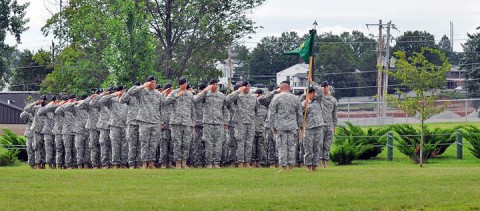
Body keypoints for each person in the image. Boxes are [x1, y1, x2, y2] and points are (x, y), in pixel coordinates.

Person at [129, 76, 165, 169]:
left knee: (154, 143)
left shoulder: (158, 94)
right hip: (144, 121)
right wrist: (142, 86)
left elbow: (162, 108)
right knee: (144, 142)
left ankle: (151, 163)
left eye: (154, 82)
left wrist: (162, 121)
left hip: (155, 121)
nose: (153, 84)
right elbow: (130, 92)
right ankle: (144, 163)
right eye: (152, 82)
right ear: (148, 83)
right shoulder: (141, 92)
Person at [269, 81, 303, 171]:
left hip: (280, 126)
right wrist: (299, 126)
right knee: (291, 146)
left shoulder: (276, 98)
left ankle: (283, 166)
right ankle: (291, 166)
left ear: (280, 88)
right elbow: (299, 114)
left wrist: (272, 126)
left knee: (282, 146)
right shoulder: (295, 98)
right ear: (289, 88)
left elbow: (271, 113)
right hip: (292, 126)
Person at [195, 79, 227, 168]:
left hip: (219, 122)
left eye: (216, 84)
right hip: (208, 122)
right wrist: (205, 90)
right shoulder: (205, 95)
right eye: (213, 84)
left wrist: (225, 122)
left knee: (218, 143)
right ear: (210, 85)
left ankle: (216, 162)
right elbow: (195, 100)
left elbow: (224, 109)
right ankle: (208, 162)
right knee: (208, 143)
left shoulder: (221, 96)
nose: (215, 86)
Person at [226, 81, 258, 168]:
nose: (247, 87)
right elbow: (228, 100)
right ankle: (240, 162)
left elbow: (256, 110)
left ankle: (247, 162)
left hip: (250, 122)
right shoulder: (238, 96)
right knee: (240, 142)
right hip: (240, 123)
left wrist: (255, 121)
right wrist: (238, 91)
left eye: (248, 86)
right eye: (245, 86)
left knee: (249, 143)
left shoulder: (253, 97)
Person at [165, 77, 195, 169]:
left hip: (187, 122)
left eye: (186, 83)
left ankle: (184, 163)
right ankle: (178, 163)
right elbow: (166, 102)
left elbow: (192, 108)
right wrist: (177, 96)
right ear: (180, 84)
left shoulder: (190, 94)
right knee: (177, 143)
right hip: (176, 122)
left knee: (186, 143)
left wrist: (192, 121)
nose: (185, 85)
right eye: (183, 83)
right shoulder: (174, 92)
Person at [102, 85, 128, 169]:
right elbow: (101, 101)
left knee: (124, 145)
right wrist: (113, 94)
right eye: (123, 90)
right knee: (115, 145)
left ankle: (123, 163)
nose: (124, 92)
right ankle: (115, 164)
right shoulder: (112, 100)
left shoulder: (126, 100)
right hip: (115, 125)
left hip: (124, 125)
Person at [301, 81, 324, 171]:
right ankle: (308, 165)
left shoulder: (317, 101)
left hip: (318, 126)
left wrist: (312, 82)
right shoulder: (303, 103)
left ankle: (315, 165)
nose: (313, 94)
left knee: (317, 147)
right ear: (308, 94)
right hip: (309, 127)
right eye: (311, 93)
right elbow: (300, 115)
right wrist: (304, 107)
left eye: (314, 92)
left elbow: (321, 92)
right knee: (308, 147)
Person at [90, 87, 114, 169]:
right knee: (103, 145)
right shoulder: (101, 101)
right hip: (103, 125)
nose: (110, 93)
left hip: (114, 124)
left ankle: (112, 162)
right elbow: (92, 103)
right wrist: (102, 95)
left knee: (113, 145)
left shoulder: (113, 99)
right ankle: (104, 163)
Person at [120, 82, 141, 169]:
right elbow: (121, 100)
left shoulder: (142, 95)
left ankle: (139, 163)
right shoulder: (130, 96)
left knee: (140, 144)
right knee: (132, 144)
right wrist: (129, 91)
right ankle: (132, 163)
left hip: (141, 121)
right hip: (132, 122)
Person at [320, 81, 338, 168]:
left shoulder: (333, 100)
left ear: (328, 87)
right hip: (320, 124)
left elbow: (334, 114)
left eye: (325, 87)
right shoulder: (319, 98)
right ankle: (319, 161)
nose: (324, 89)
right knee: (319, 144)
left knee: (327, 144)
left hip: (329, 124)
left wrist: (335, 126)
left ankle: (325, 161)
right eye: (322, 87)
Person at [191, 82, 207, 167]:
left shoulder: (207, 98)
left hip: (206, 124)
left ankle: (205, 161)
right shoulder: (195, 98)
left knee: (206, 144)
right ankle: (197, 162)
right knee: (197, 144)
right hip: (197, 124)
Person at [86, 89, 102, 169]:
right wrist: (90, 97)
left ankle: (102, 163)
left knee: (102, 146)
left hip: (101, 127)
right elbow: (81, 106)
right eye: (97, 94)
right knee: (93, 146)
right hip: (92, 127)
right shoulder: (90, 103)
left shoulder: (102, 103)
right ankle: (95, 164)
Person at [61, 95, 78, 169]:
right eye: (73, 99)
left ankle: (75, 164)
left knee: (75, 149)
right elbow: (62, 108)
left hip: (75, 131)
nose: (75, 100)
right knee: (68, 149)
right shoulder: (64, 107)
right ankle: (68, 165)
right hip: (67, 132)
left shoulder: (75, 108)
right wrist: (70, 103)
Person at [41, 96, 59, 169]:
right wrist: (49, 105)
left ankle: (55, 165)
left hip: (55, 132)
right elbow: (40, 112)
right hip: (48, 132)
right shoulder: (47, 109)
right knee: (48, 149)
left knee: (56, 149)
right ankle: (49, 165)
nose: (56, 102)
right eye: (55, 101)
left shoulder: (57, 109)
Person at [31, 95, 48, 169]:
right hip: (37, 131)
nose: (43, 101)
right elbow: (26, 109)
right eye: (42, 100)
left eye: (45, 100)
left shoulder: (47, 108)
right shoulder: (36, 108)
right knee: (37, 148)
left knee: (44, 148)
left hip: (45, 131)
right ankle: (38, 163)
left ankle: (43, 164)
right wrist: (35, 103)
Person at [73, 94, 90, 169]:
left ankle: (86, 165)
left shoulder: (89, 107)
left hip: (87, 130)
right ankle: (79, 165)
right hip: (79, 130)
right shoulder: (77, 107)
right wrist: (76, 102)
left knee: (87, 149)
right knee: (79, 148)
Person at [252, 89, 268, 167]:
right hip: (253, 129)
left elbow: (265, 119)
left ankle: (258, 162)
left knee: (260, 147)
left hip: (261, 129)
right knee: (253, 146)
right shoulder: (252, 106)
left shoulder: (265, 109)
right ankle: (253, 162)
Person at [159, 83, 173, 168]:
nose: (172, 90)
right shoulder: (161, 97)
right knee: (163, 144)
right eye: (170, 89)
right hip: (163, 124)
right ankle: (163, 163)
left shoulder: (172, 98)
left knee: (171, 144)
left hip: (172, 124)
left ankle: (170, 162)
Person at [53, 95, 68, 169]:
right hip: (58, 131)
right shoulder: (57, 108)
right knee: (59, 149)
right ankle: (59, 165)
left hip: (66, 131)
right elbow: (56, 111)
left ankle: (65, 165)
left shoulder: (68, 108)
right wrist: (60, 104)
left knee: (66, 149)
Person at [21, 101, 37, 168]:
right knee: (30, 150)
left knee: (37, 150)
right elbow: (22, 115)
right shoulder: (27, 114)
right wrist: (33, 103)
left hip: (38, 134)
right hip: (30, 134)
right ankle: (31, 165)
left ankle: (38, 164)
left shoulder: (38, 114)